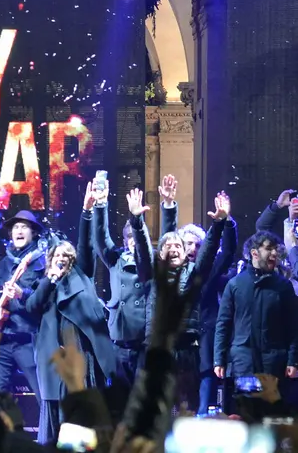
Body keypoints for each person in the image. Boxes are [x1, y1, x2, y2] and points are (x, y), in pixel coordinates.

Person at [25, 207, 115, 445]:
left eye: (67, 257)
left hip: (81, 360)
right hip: (55, 362)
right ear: (50, 261)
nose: (62, 260)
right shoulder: (44, 284)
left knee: (82, 414)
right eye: (57, 257)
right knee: (56, 414)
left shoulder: (81, 276)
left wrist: (85, 212)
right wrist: (50, 279)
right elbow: (31, 309)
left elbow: (86, 245)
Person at [91, 175, 178, 390]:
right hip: (119, 339)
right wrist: (101, 204)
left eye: (136, 237)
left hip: (144, 341)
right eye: (128, 237)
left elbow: (167, 238)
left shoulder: (152, 261)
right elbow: (100, 239)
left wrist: (167, 205)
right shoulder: (116, 260)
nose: (133, 240)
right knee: (118, 398)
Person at [149, 191, 228, 412]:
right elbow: (167, 237)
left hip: (187, 348)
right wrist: (167, 205)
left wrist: (219, 223)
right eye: (170, 248)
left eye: (179, 248)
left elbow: (210, 250)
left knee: (188, 405)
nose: (175, 250)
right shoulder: (156, 274)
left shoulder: (194, 273)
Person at [214, 230, 298, 392]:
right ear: (255, 253)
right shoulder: (235, 285)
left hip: (274, 362)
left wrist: (293, 360)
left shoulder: (283, 286)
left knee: (271, 411)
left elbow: (294, 327)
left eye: (276, 249)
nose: (274, 253)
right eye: (269, 248)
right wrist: (219, 360)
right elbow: (223, 325)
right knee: (248, 408)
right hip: (244, 361)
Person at [0, 209, 46, 401]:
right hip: (3, 339)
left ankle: (51, 431)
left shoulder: (41, 262)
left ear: (34, 233)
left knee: (42, 394)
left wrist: (22, 294)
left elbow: (44, 298)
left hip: (28, 339)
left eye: (24, 227)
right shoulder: (5, 263)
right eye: (15, 227)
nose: (19, 231)